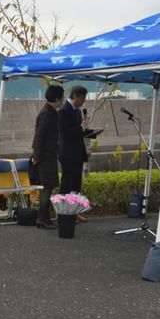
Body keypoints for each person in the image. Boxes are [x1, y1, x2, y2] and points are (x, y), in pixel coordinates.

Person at [57, 86, 102, 223]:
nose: (83, 102)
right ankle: (63, 215)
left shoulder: (77, 111)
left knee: (76, 184)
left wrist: (93, 132)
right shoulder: (64, 111)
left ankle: (74, 213)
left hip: (77, 152)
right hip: (68, 153)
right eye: (83, 98)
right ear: (76, 96)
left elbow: (79, 132)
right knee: (67, 184)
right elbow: (66, 133)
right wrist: (82, 127)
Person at [30, 84, 64, 229]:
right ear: (56, 98)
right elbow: (39, 137)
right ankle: (41, 219)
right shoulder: (47, 113)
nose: (63, 100)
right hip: (45, 156)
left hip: (49, 155)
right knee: (47, 187)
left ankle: (45, 218)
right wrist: (37, 157)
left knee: (48, 187)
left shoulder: (51, 112)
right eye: (62, 97)